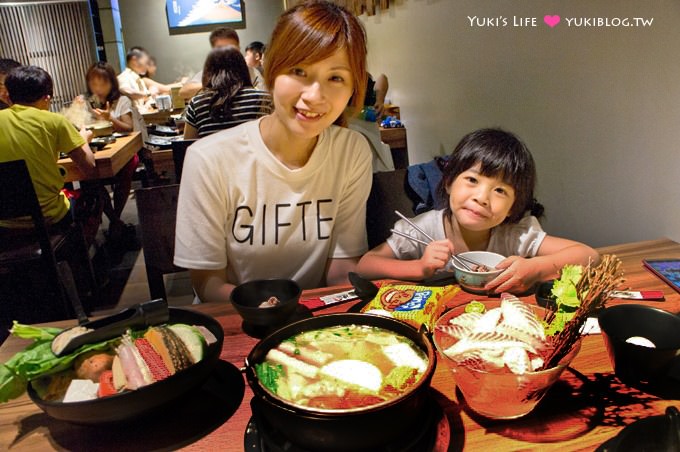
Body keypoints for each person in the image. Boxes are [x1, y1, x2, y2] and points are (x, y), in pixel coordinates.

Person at [174, 1, 373, 302]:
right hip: (239, 321)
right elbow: (208, 286)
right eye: (299, 70)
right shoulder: (208, 158)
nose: (314, 97)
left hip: (316, 322)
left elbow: (341, 267)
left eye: (335, 78)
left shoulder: (352, 151)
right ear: (271, 69)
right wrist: (274, 310)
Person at [357, 128, 599, 293]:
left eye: (500, 191)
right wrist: (419, 267)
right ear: (449, 182)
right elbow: (365, 266)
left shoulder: (514, 233)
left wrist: (535, 269)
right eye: (472, 180)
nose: (482, 198)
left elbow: (589, 255)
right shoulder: (422, 229)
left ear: (512, 208)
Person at [0, 66, 95, 231]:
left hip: (4, 224)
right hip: (49, 217)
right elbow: (89, 168)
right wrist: (83, 138)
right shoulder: (54, 121)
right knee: (95, 195)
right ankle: (78, 251)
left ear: (8, 96)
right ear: (47, 98)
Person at [83, 61, 139, 246]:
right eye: (94, 83)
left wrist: (110, 118)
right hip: (96, 151)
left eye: (103, 83)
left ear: (111, 83)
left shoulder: (121, 100)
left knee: (130, 162)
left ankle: (116, 217)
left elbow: (128, 127)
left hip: (120, 149)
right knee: (89, 176)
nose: (98, 88)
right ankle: (115, 220)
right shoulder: (85, 102)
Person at [183, 46, 272, 139]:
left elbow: (187, 146)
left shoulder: (197, 104)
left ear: (209, 72)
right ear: (243, 69)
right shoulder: (265, 99)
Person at [179, 27, 265, 99]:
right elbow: (183, 92)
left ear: (239, 48)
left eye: (231, 48)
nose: (227, 53)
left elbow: (263, 95)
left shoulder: (251, 72)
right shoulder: (211, 72)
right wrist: (216, 84)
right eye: (221, 49)